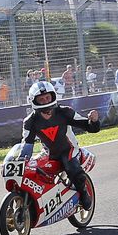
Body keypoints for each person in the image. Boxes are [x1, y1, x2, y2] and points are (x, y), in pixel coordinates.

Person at [18, 79, 98, 211]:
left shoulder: (64, 112)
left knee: (71, 167)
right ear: (33, 100)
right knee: (32, 171)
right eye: (41, 99)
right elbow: (27, 143)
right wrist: (21, 160)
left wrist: (93, 121)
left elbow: (88, 126)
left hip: (69, 150)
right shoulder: (30, 121)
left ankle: (84, 194)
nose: (45, 101)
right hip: (48, 154)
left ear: (53, 96)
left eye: (47, 97)